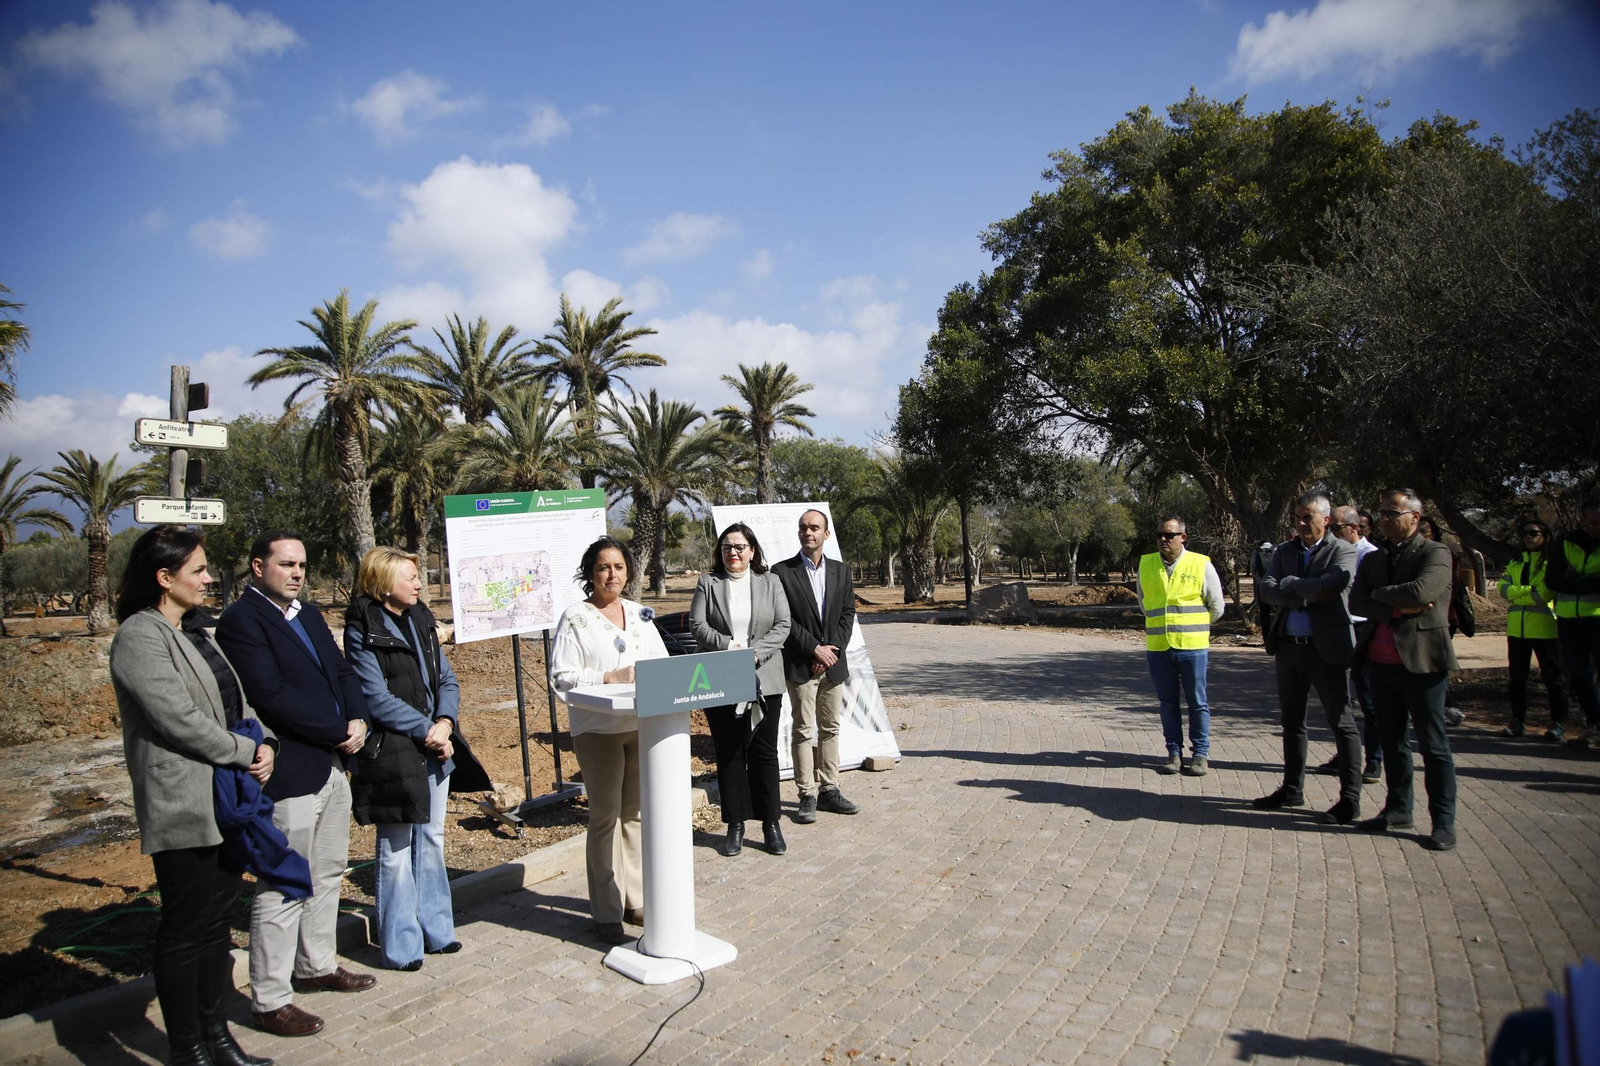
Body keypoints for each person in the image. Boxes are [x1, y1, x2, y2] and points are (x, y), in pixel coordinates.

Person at [109, 527, 278, 1066]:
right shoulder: (140, 636)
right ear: (164, 578)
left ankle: (218, 1038)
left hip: (226, 797)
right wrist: (240, 749)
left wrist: (263, 741)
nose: (208, 579)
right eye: (199, 570)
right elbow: (177, 720)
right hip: (183, 800)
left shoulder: (195, 632)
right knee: (185, 927)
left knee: (215, 922)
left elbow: (237, 701)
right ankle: (187, 1048)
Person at [216, 531, 376, 1038]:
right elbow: (271, 695)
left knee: (328, 872)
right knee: (285, 882)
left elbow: (342, 671)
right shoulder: (242, 621)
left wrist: (358, 719)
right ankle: (269, 998)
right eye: (287, 564)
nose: (298, 572)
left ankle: (317, 965)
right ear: (258, 566)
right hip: (289, 771)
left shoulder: (306, 614)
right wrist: (336, 729)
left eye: (303, 564)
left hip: (332, 764)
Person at [343, 547, 467, 971]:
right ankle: (400, 944)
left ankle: (438, 930)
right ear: (382, 583)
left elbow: (447, 679)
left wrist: (446, 722)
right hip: (394, 751)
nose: (419, 583)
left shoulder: (422, 620)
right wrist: (426, 730)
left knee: (432, 840)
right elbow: (374, 697)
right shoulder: (362, 625)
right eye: (411, 577)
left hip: (436, 745)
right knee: (396, 847)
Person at [548, 536, 669, 945]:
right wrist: (608, 678)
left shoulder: (640, 614)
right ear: (590, 573)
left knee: (635, 815)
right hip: (597, 730)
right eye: (603, 568)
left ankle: (636, 900)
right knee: (604, 818)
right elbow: (561, 677)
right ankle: (605, 910)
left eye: (618, 567)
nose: (611, 575)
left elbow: (662, 664)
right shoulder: (576, 618)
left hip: (641, 725)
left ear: (628, 572)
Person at [1350, 488, 1460, 851]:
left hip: (1422, 662)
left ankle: (1443, 821)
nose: (1384, 519)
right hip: (1379, 663)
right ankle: (1398, 809)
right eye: (1381, 512)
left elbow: (1422, 592)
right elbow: (1358, 600)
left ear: (1415, 516)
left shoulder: (1436, 553)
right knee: (1392, 741)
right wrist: (1396, 605)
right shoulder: (1374, 559)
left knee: (1433, 745)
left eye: (1392, 513)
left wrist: (1384, 596)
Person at [1252, 494, 1363, 824]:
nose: (1301, 523)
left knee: (1341, 723)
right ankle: (1292, 789)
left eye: (1308, 517)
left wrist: (1293, 586)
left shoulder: (1342, 549)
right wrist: (1304, 594)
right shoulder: (1285, 551)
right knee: (1292, 722)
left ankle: (1350, 798)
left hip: (1327, 648)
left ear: (1326, 520)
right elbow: (1266, 590)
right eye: (1298, 517)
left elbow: (1331, 587)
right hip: (1290, 647)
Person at [690, 522, 793, 856]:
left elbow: (783, 625)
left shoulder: (771, 582)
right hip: (721, 676)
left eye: (738, 547)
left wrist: (755, 653)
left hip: (765, 677)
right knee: (730, 751)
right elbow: (698, 625)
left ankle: (771, 824)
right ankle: (735, 824)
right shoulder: (708, 583)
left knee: (764, 752)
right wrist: (731, 648)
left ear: (751, 550)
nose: (732, 553)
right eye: (726, 548)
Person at [772, 509, 860, 823]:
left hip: (832, 666)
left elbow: (847, 614)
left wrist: (831, 652)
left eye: (814, 528)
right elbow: (784, 620)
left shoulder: (841, 571)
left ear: (826, 533)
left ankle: (830, 790)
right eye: (803, 528)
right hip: (801, 664)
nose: (808, 532)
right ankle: (807, 793)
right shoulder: (781, 572)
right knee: (802, 731)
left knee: (830, 729)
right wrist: (814, 649)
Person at [1136, 516, 1225, 776]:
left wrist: (1194, 625)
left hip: (1192, 647)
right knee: (1167, 703)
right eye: (1160, 534)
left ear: (1183, 537)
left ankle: (1200, 755)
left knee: (1197, 703)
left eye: (1170, 535)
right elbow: (1144, 603)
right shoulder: (1146, 564)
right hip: (1159, 647)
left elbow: (1217, 606)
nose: (1164, 539)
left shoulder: (1201, 564)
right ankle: (1173, 753)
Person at [1324, 504, 1384, 783]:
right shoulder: (1330, 553)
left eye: (1335, 529)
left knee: (1369, 700)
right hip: (1337, 628)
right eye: (1329, 528)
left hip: (1363, 629)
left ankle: (1374, 760)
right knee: (1339, 698)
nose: (1330, 534)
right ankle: (1346, 754)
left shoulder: (1370, 556)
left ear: (1354, 529)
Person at [1499, 520, 1569, 739]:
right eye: (1525, 533)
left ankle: (1557, 723)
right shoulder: (1516, 562)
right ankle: (1517, 721)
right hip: (1516, 630)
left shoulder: (1551, 563)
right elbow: (1502, 590)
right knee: (1516, 679)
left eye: (1534, 533)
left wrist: (1516, 592)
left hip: (1545, 629)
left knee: (1553, 679)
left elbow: (1544, 594)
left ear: (1546, 536)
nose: (1528, 537)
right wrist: (1526, 590)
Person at [1547, 499, 1600, 747]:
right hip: (1569, 620)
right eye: (1593, 522)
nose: (1597, 527)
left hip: (1597, 617)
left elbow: (1565, 579)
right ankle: (1595, 723)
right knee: (1580, 676)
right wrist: (1590, 581)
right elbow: (1553, 580)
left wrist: (1575, 579)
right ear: (1582, 519)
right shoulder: (1566, 541)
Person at [1419, 516, 1468, 726]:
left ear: (1434, 533)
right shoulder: (1408, 554)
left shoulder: (1442, 554)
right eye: (1418, 530)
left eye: (1426, 530)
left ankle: (1445, 706)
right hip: (1416, 619)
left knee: (1436, 664)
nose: (1422, 534)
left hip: (1443, 618)